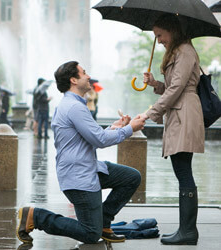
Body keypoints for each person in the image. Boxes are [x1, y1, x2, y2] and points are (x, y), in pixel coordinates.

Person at [16, 61, 146, 245]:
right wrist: (130, 128)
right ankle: (36, 217)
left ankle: (103, 222)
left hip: (88, 169)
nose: (88, 76)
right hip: (79, 178)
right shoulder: (74, 107)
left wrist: (115, 127)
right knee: (90, 234)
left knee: (131, 177)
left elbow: (93, 136)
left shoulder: (74, 105)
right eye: (84, 73)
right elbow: (100, 140)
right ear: (73, 80)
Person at [140, 14, 204, 245]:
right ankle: (186, 230)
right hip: (180, 112)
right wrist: (155, 84)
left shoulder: (185, 51)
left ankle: (188, 231)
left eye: (160, 35)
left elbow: (178, 87)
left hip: (185, 113)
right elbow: (172, 86)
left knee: (183, 170)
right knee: (181, 170)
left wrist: (151, 113)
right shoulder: (179, 52)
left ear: (172, 31)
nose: (158, 41)